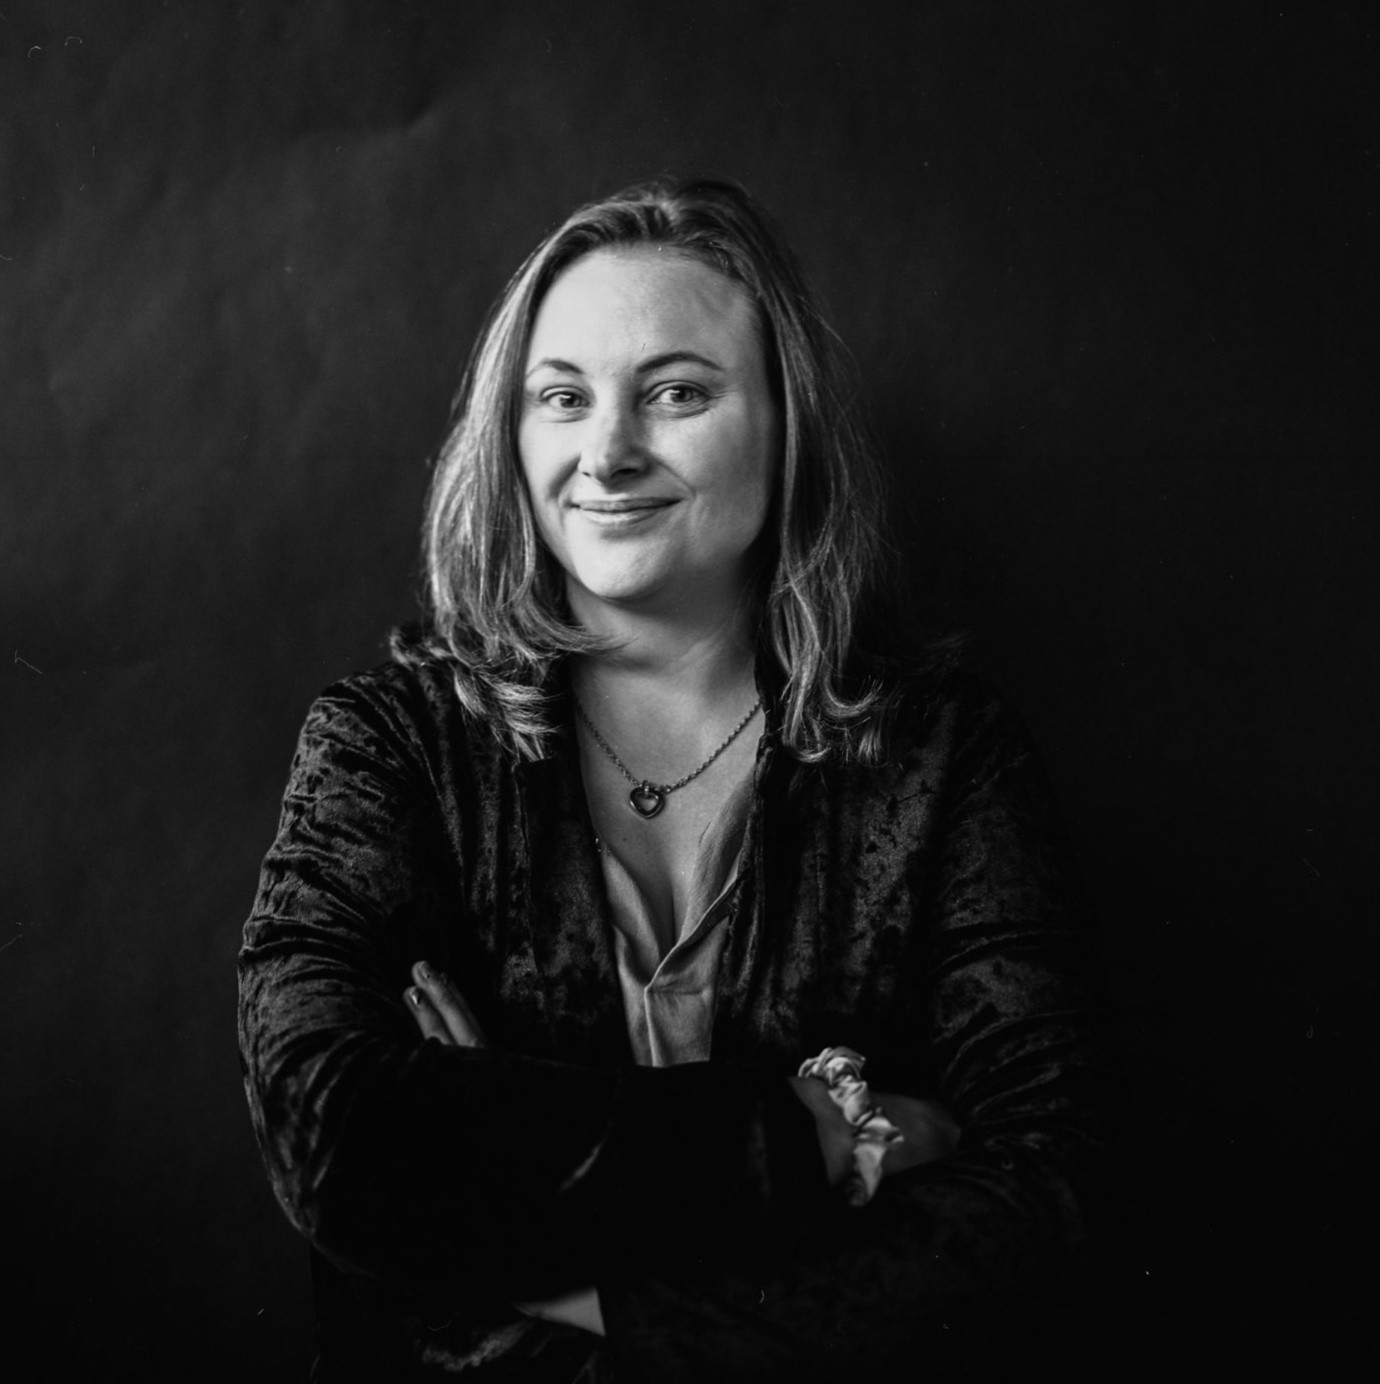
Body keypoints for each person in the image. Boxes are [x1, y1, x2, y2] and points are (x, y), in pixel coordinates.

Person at [238, 176, 1111, 1382]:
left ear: (788, 424)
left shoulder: (946, 753)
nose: (607, 452)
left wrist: (562, 1257)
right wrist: (818, 1140)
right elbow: (338, 1140)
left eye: (678, 393)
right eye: (562, 397)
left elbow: (1052, 1202)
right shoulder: (388, 745)